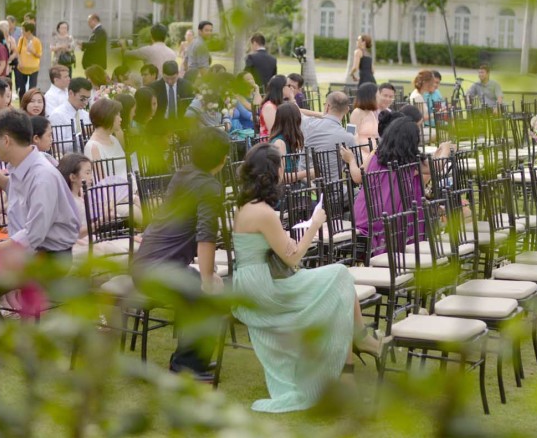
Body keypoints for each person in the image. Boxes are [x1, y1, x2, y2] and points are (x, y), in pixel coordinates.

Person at [231, 143, 384, 412]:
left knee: (339, 283)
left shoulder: (248, 206)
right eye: (280, 166)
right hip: (264, 289)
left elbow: (277, 248)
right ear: (272, 172)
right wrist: (314, 225)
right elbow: (292, 258)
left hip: (257, 281)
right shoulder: (263, 212)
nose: (283, 171)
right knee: (339, 277)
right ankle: (357, 344)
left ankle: (350, 364)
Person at [0, 109, 81, 337]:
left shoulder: (42, 175)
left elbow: (33, 236)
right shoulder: (24, 164)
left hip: (49, 257)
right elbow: (21, 195)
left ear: (6, 140)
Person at [131, 127, 230, 380]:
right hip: (158, 268)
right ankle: (186, 367)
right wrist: (208, 279)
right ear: (221, 159)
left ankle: (190, 361)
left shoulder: (184, 173)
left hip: (149, 262)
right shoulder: (208, 186)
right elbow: (205, 237)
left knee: (206, 288)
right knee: (208, 294)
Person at [352, 117, 451, 247]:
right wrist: (446, 148)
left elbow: (358, 177)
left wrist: (351, 161)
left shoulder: (375, 155)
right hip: (392, 218)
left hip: (365, 214)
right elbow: (436, 166)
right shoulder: (409, 162)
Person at [301, 91, 359, 182]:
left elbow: (295, 110)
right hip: (333, 189)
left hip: (305, 184)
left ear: (327, 106)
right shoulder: (348, 137)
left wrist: (322, 114)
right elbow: (358, 167)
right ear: (347, 110)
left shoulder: (308, 124)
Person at [268, 102, 311, 184]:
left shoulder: (289, 140)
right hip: (284, 193)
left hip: (293, 189)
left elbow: (294, 172)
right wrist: (308, 172)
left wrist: (309, 183)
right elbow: (279, 177)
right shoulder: (279, 143)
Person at [83, 98, 126, 171]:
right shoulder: (93, 147)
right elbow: (100, 180)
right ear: (108, 116)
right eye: (117, 115)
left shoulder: (113, 139)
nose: (120, 119)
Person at [15, 23, 42, 97]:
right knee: (22, 89)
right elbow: (18, 52)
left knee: (32, 90)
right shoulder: (21, 39)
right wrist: (19, 62)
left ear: (29, 31)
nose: (21, 31)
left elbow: (39, 55)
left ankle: (30, 105)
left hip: (33, 69)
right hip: (22, 69)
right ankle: (22, 106)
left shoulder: (36, 41)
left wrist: (33, 51)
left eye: (23, 30)